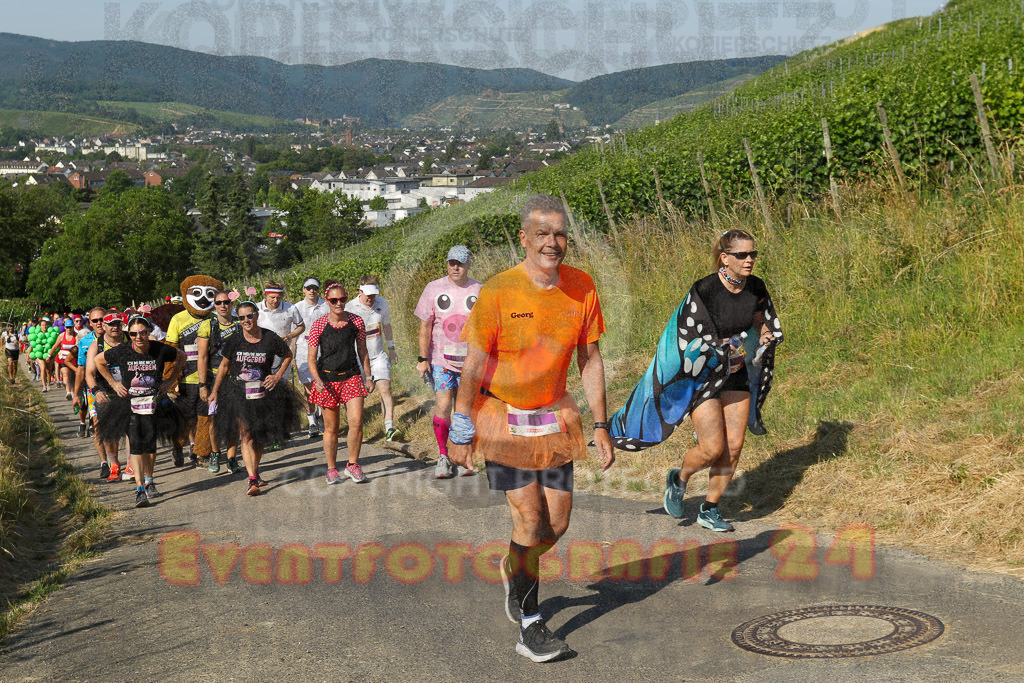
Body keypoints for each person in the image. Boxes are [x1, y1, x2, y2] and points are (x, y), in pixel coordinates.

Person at [450, 194, 614, 663]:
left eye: (560, 234)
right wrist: (461, 425)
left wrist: (601, 424)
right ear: (523, 238)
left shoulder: (582, 286)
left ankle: (515, 567)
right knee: (529, 518)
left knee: (555, 524)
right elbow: (474, 362)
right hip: (502, 415)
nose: (552, 243)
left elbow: (590, 359)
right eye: (542, 233)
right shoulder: (499, 290)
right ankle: (530, 626)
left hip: (554, 416)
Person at [608, 229, 784, 532]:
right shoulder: (705, 290)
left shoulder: (756, 287)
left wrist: (765, 334)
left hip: (735, 374)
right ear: (724, 258)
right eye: (742, 254)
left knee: (734, 446)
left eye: (753, 254)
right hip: (703, 375)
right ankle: (679, 478)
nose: (749, 259)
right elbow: (686, 334)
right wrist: (718, 347)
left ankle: (710, 508)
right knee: (712, 449)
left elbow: (760, 318)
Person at [208, 301, 301, 496]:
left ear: (256, 315)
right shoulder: (235, 339)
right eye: (241, 317)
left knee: (258, 437)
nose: (246, 320)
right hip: (238, 393)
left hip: (263, 394)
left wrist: (277, 376)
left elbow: (287, 355)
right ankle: (251, 479)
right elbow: (224, 366)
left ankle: (255, 471)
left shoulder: (269, 337)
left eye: (249, 316)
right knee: (246, 434)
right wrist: (215, 390)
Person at [95, 316, 185, 507]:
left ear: (148, 332)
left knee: (150, 445)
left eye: (142, 333)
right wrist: (114, 383)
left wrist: (170, 380)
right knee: (136, 444)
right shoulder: (122, 350)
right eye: (134, 334)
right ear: (129, 334)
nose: (138, 337)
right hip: (130, 404)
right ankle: (140, 489)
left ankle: (150, 481)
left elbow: (181, 357)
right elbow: (98, 361)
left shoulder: (159, 349)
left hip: (154, 404)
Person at [414, 245, 483, 478]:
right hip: (440, 360)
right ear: (447, 264)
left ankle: (463, 456)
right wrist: (423, 359)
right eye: (452, 263)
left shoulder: (479, 289)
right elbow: (425, 326)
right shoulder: (433, 288)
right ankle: (443, 456)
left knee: (465, 410)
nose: (456, 267)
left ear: (469, 264)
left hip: (470, 362)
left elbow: (487, 327)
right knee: (443, 406)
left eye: (460, 263)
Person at [307, 283, 375, 485]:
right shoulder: (319, 325)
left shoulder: (356, 321)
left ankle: (353, 464)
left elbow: (362, 351)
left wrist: (368, 377)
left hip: (351, 377)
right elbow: (311, 358)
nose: (339, 303)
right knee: (331, 428)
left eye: (342, 299)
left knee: (357, 422)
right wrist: (318, 380)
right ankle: (331, 469)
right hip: (328, 379)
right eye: (334, 300)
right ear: (327, 301)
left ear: (346, 299)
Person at [166, 275, 224, 468]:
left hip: (208, 377)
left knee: (205, 417)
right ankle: (178, 445)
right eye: (197, 293)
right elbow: (170, 351)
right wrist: (170, 380)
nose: (203, 298)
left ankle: (202, 453)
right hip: (184, 378)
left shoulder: (216, 319)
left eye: (210, 294)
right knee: (185, 418)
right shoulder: (178, 319)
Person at [345, 274, 400, 441]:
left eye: (374, 295)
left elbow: (387, 326)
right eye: (368, 295)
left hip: (378, 355)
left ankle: (389, 429)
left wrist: (391, 348)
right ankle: (355, 430)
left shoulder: (382, 303)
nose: (371, 299)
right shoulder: (350, 307)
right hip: (357, 358)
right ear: (360, 291)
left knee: (386, 389)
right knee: (356, 397)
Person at [196, 290, 244, 474]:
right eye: (219, 303)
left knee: (236, 420)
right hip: (214, 379)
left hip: (236, 379)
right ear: (214, 305)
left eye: (226, 302)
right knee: (214, 421)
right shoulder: (207, 325)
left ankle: (232, 458)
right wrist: (203, 385)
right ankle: (215, 453)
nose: (223, 306)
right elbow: (202, 357)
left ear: (231, 304)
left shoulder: (240, 323)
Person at [255, 279, 305, 450]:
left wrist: (289, 336)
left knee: (277, 396)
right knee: (261, 396)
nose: (276, 300)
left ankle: (277, 434)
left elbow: (301, 326)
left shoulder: (290, 308)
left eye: (279, 297)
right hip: (260, 359)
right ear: (265, 295)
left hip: (282, 359)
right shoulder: (256, 309)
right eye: (272, 297)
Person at [86, 311, 130, 481]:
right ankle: (114, 465)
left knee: (131, 428)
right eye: (111, 324)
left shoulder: (130, 338)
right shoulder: (97, 346)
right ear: (104, 326)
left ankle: (131, 464)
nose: (115, 327)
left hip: (130, 391)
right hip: (107, 392)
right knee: (109, 432)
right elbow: (89, 374)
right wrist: (96, 391)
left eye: (118, 323)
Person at [293, 277, 330, 439]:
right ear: (303, 290)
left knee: (322, 384)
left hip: (323, 349)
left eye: (314, 287)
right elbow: (294, 333)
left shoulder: (326, 306)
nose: (312, 291)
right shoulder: (297, 307)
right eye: (308, 288)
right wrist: (291, 355)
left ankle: (321, 415)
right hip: (303, 349)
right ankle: (311, 422)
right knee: (308, 387)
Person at [47, 323, 78, 400]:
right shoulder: (62, 336)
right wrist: (49, 355)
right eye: (67, 327)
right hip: (63, 359)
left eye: (70, 327)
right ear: (65, 327)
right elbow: (55, 346)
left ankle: (72, 391)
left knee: (72, 376)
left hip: (73, 359)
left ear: (73, 327)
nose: (69, 329)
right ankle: (68, 392)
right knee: (65, 374)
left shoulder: (76, 336)